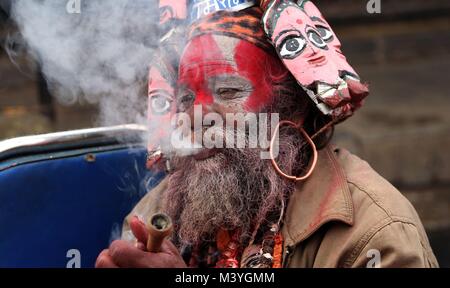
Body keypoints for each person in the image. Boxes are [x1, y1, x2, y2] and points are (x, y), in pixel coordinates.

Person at [95, 2, 438, 268]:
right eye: (185, 98)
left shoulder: (373, 232)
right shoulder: (162, 207)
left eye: (228, 91)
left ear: (293, 107)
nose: (196, 117)